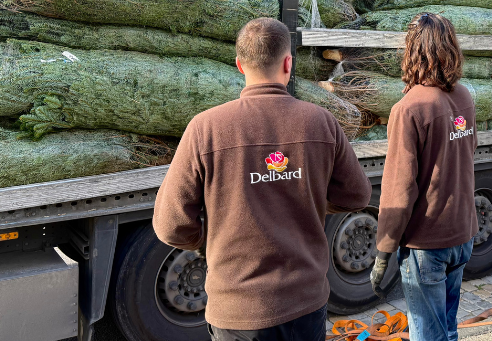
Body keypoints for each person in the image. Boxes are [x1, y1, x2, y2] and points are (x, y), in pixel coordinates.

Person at [153, 17, 372, 341]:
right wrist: (311, 200)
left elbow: (170, 225)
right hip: (305, 305)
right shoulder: (320, 123)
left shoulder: (205, 128)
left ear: (240, 65)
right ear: (288, 64)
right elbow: (357, 196)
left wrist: (204, 240)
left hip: (236, 312)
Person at [370, 13, 479, 341]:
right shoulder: (463, 97)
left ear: (412, 51)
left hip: (427, 244)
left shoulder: (409, 109)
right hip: (462, 235)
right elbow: (466, 157)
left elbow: (398, 189)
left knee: (428, 335)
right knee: (447, 328)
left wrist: (383, 251)